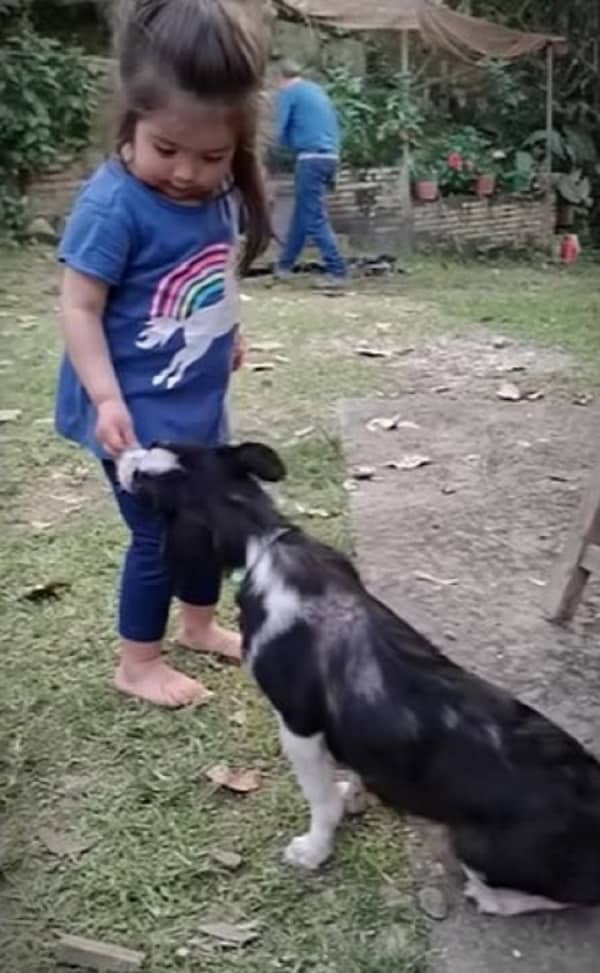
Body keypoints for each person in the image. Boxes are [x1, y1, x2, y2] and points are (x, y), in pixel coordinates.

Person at [55, 0, 270, 707]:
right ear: (131, 120)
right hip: (132, 414)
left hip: (195, 409)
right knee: (156, 535)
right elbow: (79, 306)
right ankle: (137, 662)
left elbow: (214, 270)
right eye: (166, 149)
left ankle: (199, 625)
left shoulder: (221, 194)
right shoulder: (113, 205)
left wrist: (228, 330)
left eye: (212, 156)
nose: (186, 172)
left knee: (205, 516)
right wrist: (107, 399)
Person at [274, 59, 347, 288]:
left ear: (279, 78)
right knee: (302, 215)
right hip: (329, 157)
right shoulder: (316, 91)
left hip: (311, 159)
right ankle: (285, 266)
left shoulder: (290, 93)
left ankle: (337, 271)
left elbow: (276, 130)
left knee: (314, 217)